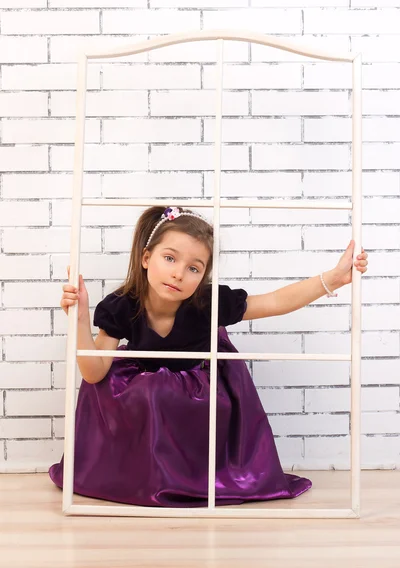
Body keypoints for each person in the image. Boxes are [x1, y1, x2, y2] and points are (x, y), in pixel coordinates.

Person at [49, 206, 368, 507]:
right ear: (147, 258)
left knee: (163, 391)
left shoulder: (207, 301)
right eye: (170, 259)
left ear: (203, 276)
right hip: (146, 396)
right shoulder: (122, 304)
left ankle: (195, 476)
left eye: (193, 268)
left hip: (197, 396)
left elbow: (273, 302)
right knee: (147, 389)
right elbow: (93, 372)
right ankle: (137, 475)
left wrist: (332, 279)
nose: (178, 274)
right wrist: (79, 318)